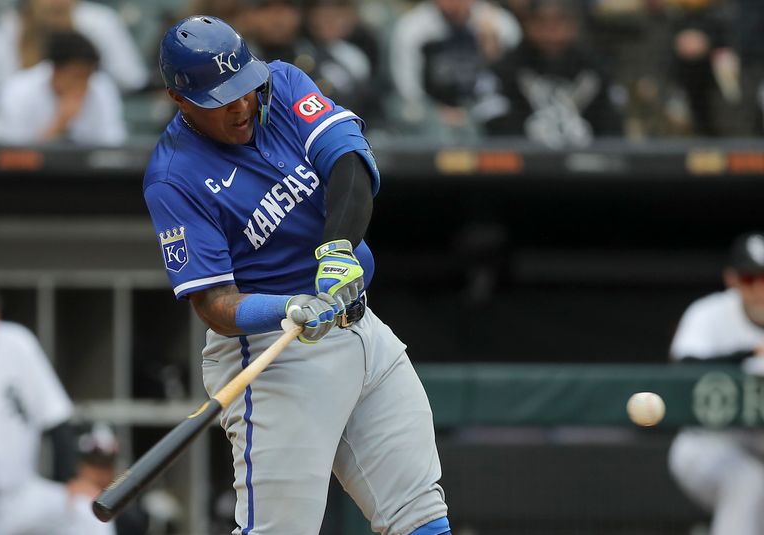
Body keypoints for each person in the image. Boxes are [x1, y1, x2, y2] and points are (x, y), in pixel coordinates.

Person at [143, 15, 451, 535]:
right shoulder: (174, 176)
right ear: (180, 100)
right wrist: (283, 306)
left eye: (243, 87)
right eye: (221, 99)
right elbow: (213, 305)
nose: (241, 105)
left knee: (420, 517)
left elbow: (348, 161)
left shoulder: (281, 84)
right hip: (274, 356)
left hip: (361, 329)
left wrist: (336, 248)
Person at [0, 265, 115, 535]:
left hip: (21, 492)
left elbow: (57, 420)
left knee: (89, 511)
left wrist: (70, 480)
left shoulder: (17, 343)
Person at [668, 231, 764, 535]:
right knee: (748, 484)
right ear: (732, 280)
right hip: (710, 441)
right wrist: (749, 352)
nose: (760, 289)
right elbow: (686, 367)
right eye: (751, 279)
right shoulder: (708, 314)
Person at [482, 0, 624, 147]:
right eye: (542, 23)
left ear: (573, 25)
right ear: (528, 25)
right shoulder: (505, 70)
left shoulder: (595, 69)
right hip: (525, 163)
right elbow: (495, 123)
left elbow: (612, 125)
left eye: (560, 22)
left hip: (589, 162)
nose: (551, 33)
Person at [0, 30, 127, 146]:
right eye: (77, 76)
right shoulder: (18, 90)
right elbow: (13, 156)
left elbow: (114, 146)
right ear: (56, 70)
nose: (84, 84)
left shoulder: (102, 87)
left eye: (88, 76)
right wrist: (60, 123)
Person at [389, 0, 521, 133]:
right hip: (433, 107)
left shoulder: (493, 20)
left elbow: (515, 66)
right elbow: (408, 89)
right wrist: (436, 112)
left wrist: (492, 42)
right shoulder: (413, 27)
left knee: (503, 116)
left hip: (480, 103)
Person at [0, 0, 147, 93]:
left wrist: (83, 83)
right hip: (27, 118)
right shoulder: (8, 26)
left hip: (89, 114)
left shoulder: (101, 21)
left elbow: (131, 78)